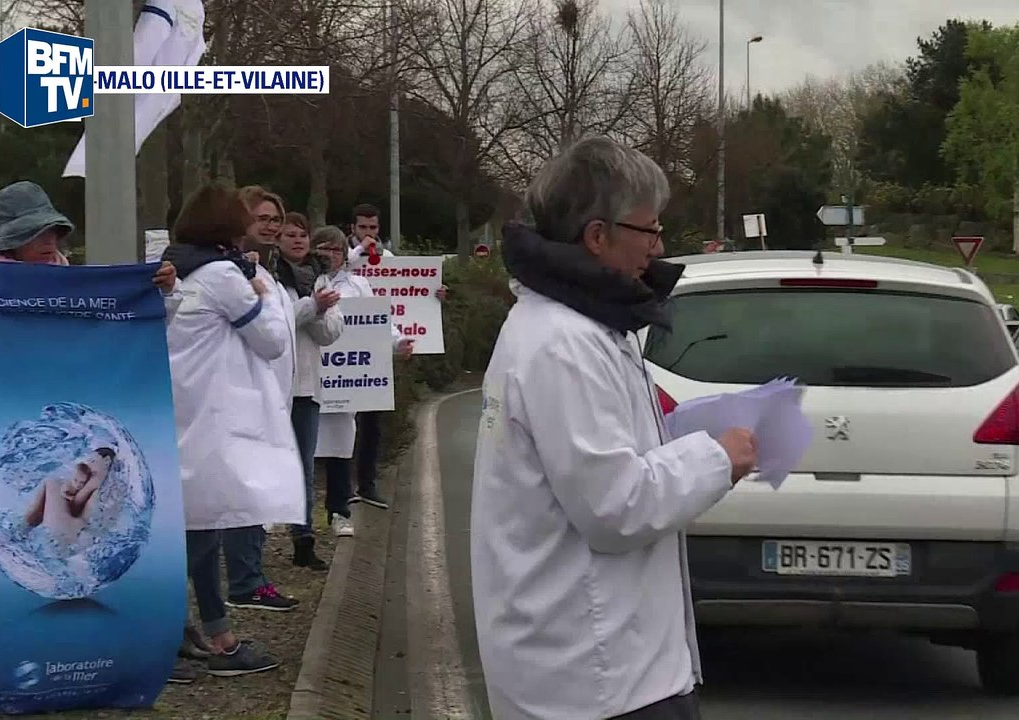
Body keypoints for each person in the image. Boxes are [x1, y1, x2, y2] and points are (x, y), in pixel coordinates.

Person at [470, 136, 758, 720]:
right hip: (592, 675)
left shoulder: (581, 324)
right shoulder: (565, 343)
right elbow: (614, 505)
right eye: (648, 231)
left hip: (607, 662)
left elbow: (599, 465)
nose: (658, 246)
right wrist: (717, 458)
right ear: (597, 236)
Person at [160, 183, 301, 678]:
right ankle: (216, 640)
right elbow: (272, 341)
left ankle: (189, 630)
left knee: (194, 530)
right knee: (202, 532)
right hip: (212, 419)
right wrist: (263, 295)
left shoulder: (185, 269)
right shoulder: (224, 274)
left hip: (185, 412)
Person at [213, 185, 303, 611]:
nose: (271, 226)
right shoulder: (235, 273)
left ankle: (250, 576)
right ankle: (246, 582)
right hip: (244, 397)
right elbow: (266, 339)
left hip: (274, 397)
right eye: (262, 218)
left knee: (258, 493)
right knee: (246, 494)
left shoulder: (269, 272)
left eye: (276, 219)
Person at [310, 226, 416, 537]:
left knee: (341, 443)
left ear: (345, 255)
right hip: (311, 377)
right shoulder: (304, 282)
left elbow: (378, 322)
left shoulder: (358, 285)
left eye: (336, 250)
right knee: (302, 445)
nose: (329, 255)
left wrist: (398, 344)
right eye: (323, 249)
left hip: (345, 383)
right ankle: (298, 520)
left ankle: (339, 509)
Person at [342, 203, 447, 510]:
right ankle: (343, 484)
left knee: (372, 423)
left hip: (377, 348)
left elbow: (405, 293)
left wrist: (434, 294)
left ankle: (368, 483)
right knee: (346, 422)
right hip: (346, 347)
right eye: (363, 228)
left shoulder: (386, 260)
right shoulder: (346, 256)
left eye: (373, 228)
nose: (369, 233)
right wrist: (359, 250)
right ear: (353, 229)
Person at [276, 212, 343, 569]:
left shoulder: (319, 278)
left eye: (303, 235)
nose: (298, 241)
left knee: (304, 465)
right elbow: (277, 323)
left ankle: (303, 538)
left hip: (306, 385)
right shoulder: (268, 276)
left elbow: (332, 332)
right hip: (273, 386)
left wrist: (316, 310)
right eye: (290, 235)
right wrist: (311, 307)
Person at [23, 447, 115, 547]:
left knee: (51, 483)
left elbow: (76, 504)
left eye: (93, 461)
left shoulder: (97, 477)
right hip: (78, 535)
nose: (89, 465)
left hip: (68, 529)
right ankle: (27, 527)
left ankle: (23, 527)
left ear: (107, 460)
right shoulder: (111, 483)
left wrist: (67, 497)